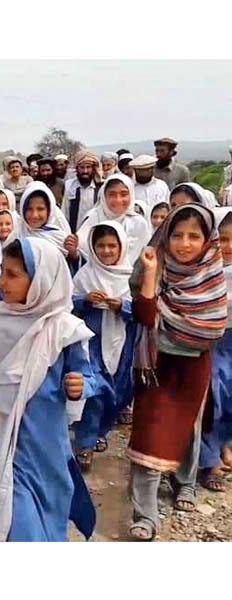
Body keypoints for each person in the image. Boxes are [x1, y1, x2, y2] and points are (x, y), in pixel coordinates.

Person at [0, 238, 96, 542]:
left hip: (47, 448)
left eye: (13, 275)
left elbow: (88, 376)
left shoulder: (63, 329)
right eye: (2, 271)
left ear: (41, 279)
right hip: (4, 443)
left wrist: (81, 386)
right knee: (20, 521)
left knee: (51, 522)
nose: (1, 282)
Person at [128, 203, 227, 541]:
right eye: (177, 235)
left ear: (207, 241)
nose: (184, 244)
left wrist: (168, 319)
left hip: (192, 369)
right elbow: (144, 315)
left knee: (186, 432)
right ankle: (145, 515)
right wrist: (153, 276)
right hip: (154, 367)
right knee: (149, 436)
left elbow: (212, 328)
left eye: (194, 236)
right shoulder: (156, 268)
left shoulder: (213, 276)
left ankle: (184, 484)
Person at [72, 222, 135, 471]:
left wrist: (123, 306)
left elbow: (143, 309)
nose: (107, 251)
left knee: (118, 390)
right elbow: (68, 304)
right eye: (101, 246)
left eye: (112, 245)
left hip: (122, 342)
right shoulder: (85, 275)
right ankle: (85, 443)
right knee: (95, 391)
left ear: (121, 246)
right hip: (92, 341)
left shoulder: (131, 277)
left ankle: (100, 430)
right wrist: (85, 300)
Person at [198, 208, 232, 492]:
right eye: (222, 239)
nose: (228, 247)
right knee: (213, 395)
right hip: (212, 341)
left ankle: (224, 443)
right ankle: (210, 460)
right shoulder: (203, 270)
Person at [76, 174, 151, 261]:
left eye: (124, 194)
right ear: (104, 196)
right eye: (112, 195)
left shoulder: (139, 223)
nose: (118, 200)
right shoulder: (93, 218)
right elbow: (81, 249)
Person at [18, 182, 71, 258]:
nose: (34, 215)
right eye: (29, 209)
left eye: (40, 209)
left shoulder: (60, 238)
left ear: (50, 210)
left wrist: (73, 254)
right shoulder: (16, 233)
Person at [62, 151, 102, 234]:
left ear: (93, 168)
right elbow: (65, 211)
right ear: (77, 168)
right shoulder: (70, 186)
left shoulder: (101, 187)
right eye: (82, 167)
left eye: (88, 167)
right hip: (74, 233)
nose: (85, 171)